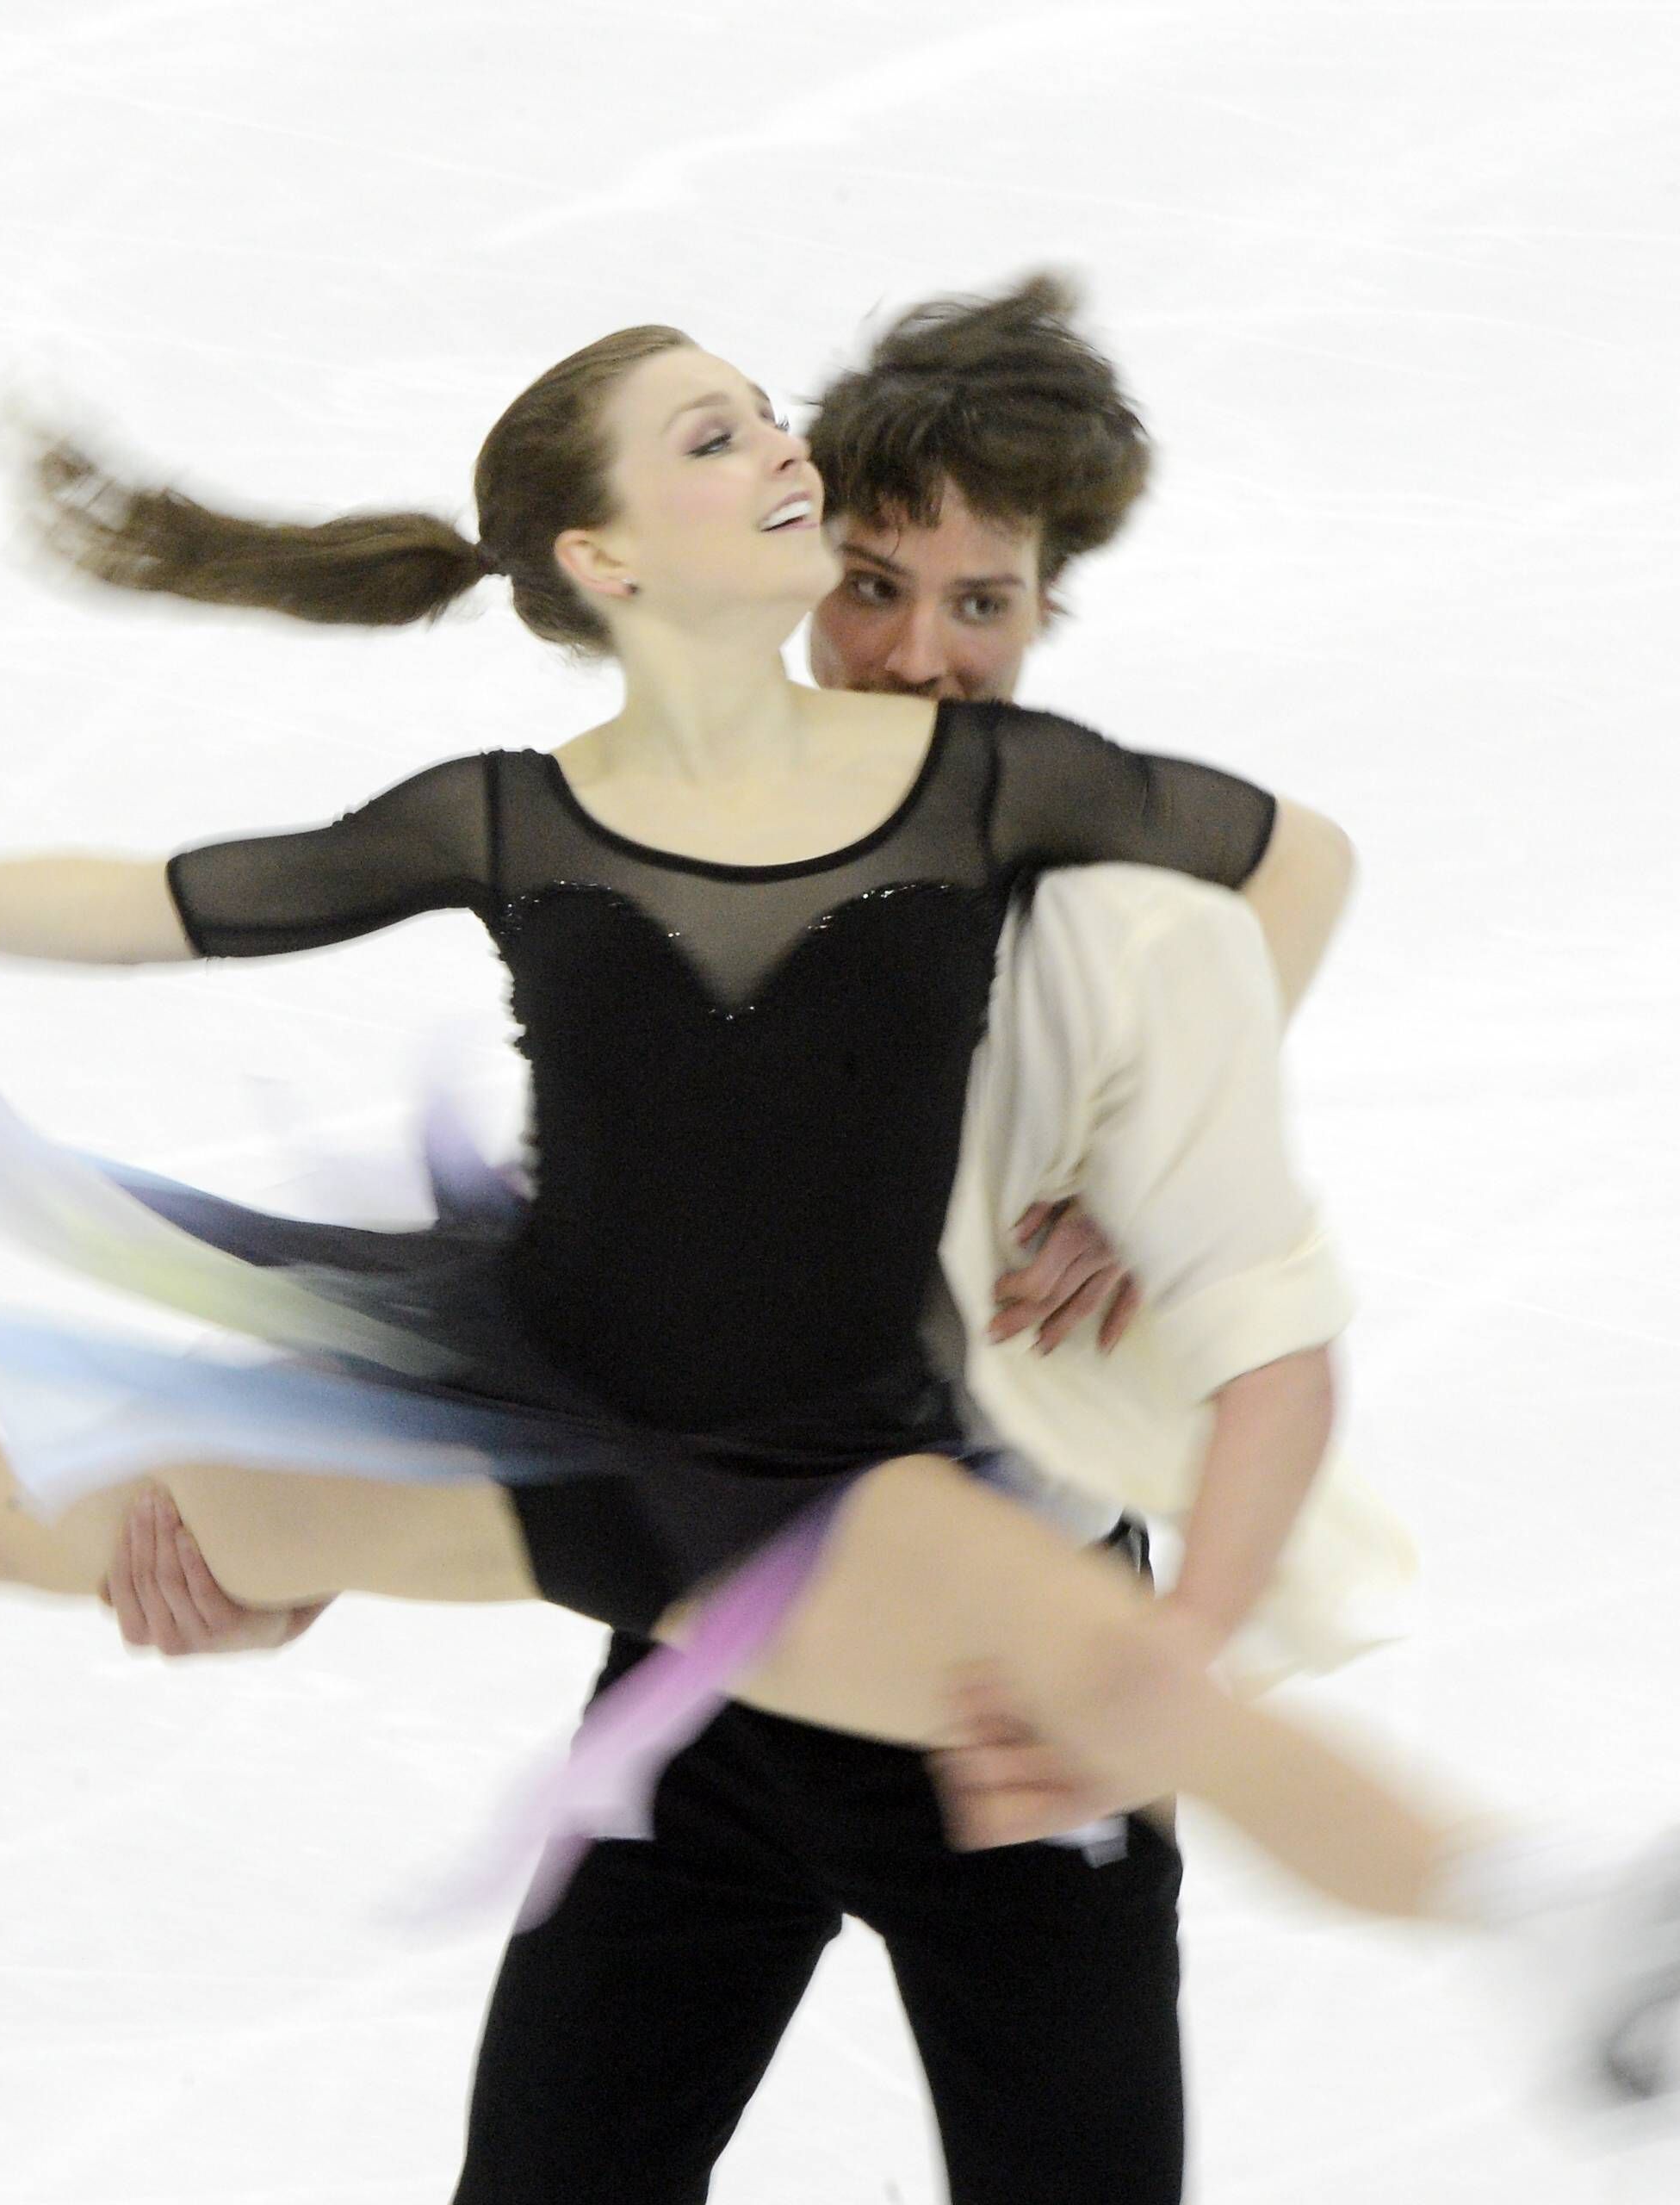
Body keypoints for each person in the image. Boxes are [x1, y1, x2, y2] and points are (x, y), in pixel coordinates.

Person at [0, 313, 1680, 2147]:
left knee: (1137, 1700)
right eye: (720, 432)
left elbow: (1291, 861)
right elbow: (148, 901)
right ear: (603, 549)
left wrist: (1130, 1174)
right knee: (6, 1509)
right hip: (528, 1411)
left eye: (763, 413)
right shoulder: (506, 816)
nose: (775, 443)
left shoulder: (981, 786)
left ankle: (1560, 1909)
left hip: (823, 1485)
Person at [112, 276, 1377, 2205]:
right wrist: (301, 1533)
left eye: (988, 604)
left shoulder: (1098, 912)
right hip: (702, 1669)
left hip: (1003, 1698)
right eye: (876, 585)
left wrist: (1135, 1167)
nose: (926, 653)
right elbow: (578, 1294)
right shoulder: (690, 890)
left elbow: (1305, 859)